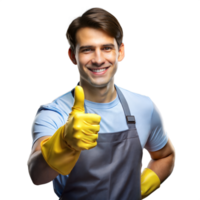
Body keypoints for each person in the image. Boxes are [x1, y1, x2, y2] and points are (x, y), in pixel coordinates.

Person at [26, 6, 177, 200]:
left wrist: (142, 188)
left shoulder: (144, 107)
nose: (98, 60)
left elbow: (165, 156)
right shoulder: (54, 112)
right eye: (87, 50)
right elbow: (36, 175)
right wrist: (63, 142)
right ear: (72, 56)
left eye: (106, 48)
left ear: (121, 52)